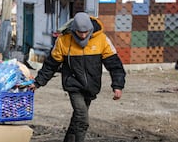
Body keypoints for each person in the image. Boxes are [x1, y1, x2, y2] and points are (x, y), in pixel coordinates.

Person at [30, 12, 126, 142]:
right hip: (73, 85)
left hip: (92, 86)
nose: (83, 35)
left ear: (90, 29)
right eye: (80, 32)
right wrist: (38, 83)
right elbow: (51, 65)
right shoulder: (63, 41)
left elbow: (114, 65)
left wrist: (118, 86)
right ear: (74, 29)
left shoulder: (102, 40)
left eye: (86, 32)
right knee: (82, 119)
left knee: (77, 118)